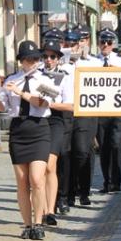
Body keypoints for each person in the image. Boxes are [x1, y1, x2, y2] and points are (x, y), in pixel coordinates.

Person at [0, 41, 53, 240]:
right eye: (28, 59)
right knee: (22, 182)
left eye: (36, 59)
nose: (33, 62)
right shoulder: (12, 79)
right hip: (18, 131)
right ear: (21, 61)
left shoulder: (46, 79)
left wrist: (19, 92)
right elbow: (5, 108)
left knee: (37, 179)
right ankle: (27, 224)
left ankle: (39, 222)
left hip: (39, 129)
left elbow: (42, 103)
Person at [41, 39, 75, 223]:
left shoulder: (64, 76)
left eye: (52, 56)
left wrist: (50, 103)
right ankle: (45, 209)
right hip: (38, 120)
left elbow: (70, 105)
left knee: (50, 164)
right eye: (45, 56)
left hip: (55, 120)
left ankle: (51, 208)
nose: (48, 60)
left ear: (58, 59)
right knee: (40, 168)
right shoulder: (36, 75)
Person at [96, 29, 121, 194]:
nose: (105, 45)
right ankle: (106, 181)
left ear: (114, 45)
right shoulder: (92, 62)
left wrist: (117, 70)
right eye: (103, 42)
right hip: (101, 109)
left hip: (118, 108)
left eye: (109, 42)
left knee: (117, 145)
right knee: (104, 147)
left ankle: (116, 181)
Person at [68, 26, 99, 207]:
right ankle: (69, 193)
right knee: (68, 153)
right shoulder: (63, 63)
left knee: (83, 151)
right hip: (67, 110)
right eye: (73, 42)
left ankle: (84, 192)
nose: (77, 45)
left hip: (87, 111)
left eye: (81, 41)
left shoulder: (93, 63)